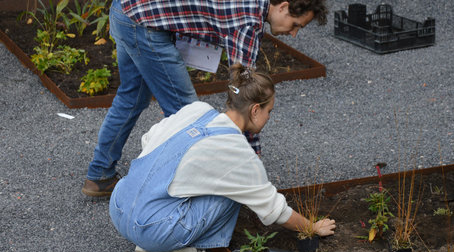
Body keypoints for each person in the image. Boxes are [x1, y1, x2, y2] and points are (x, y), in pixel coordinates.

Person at [82, 0, 329, 197]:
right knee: (190, 115)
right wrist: (250, 158)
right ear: (283, 6)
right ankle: (193, 190)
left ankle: (100, 176)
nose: (294, 33)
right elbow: (244, 96)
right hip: (143, 24)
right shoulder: (247, 21)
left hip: (125, 9)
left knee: (131, 98)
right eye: (296, 24)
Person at [109, 64, 335, 252]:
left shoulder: (196, 110)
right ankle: (182, 251)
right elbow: (273, 209)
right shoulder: (238, 153)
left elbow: (148, 140)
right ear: (255, 110)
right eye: (269, 111)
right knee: (233, 191)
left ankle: (153, 241)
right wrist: (311, 227)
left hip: (119, 205)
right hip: (152, 229)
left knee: (191, 180)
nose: (268, 117)